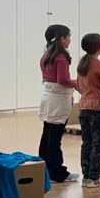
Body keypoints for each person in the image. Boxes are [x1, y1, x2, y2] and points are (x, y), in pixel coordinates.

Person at [38, 24, 78, 184]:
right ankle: (57, 173)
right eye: (68, 37)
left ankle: (44, 170)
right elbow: (63, 80)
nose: (70, 40)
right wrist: (77, 83)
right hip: (59, 100)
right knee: (55, 138)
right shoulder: (60, 57)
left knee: (47, 134)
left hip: (48, 97)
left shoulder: (46, 53)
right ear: (62, 39)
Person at [75, 33, 100, 188]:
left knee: (86, 142)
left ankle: (86, 176)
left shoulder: (82, 65)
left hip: (83, 107)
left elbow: (79, 86)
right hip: (97, 108)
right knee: (97, 143)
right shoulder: (99, 65)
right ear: (99, 47)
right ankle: (94, 177)